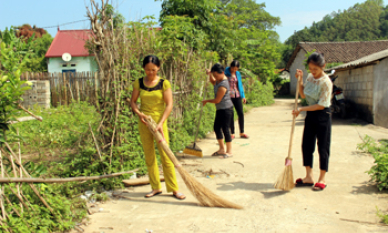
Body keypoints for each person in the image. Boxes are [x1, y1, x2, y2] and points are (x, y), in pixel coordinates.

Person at [130, 55, 186, 200]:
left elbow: (169, 104)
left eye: (153, 70)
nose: (150, 73)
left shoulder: (164, 83)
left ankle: (174, 189)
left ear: (158, 68)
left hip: (160, 124)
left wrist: (161, 123)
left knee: (166, 155)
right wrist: (139, 114)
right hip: (144, 123)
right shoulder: (139, 83)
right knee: (149, 156)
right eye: (148, 70)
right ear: (143, 69)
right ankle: (155, 187)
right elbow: (133, 102)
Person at [292, 52, 333, 191]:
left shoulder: (326, 82)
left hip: (322, 115)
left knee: (323, 147)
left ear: (323, 66)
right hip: (311, 115)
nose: (313, 72)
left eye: (315, 69)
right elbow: (304, 94)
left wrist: (302, 109)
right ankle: (309, 177)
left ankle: (322, 178)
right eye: (310, 69)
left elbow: (321, 105)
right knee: (307, 145)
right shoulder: (310, 77)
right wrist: (301, 80)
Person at [203, 63, 234, 159]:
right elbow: (213, 82)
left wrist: (207, 101)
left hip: (226, 109)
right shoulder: (218, 80)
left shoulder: (223, 84)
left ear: (222, 73)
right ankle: (221, 149)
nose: (215, 77)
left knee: (225, 129)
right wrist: (210, 75)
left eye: (216, 75)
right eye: (214, 75)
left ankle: (229, 151)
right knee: (216, 128)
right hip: (220, 109)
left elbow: (217, 100)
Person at [225, 60, 249, 139]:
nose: (234, 70)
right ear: (230, 66)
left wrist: (243, 96)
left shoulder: (238, 74)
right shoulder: (225, 73)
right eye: (233, 68)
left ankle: (242, 132)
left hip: (237, 95)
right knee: (231, 114)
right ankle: (232, 133)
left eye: (236, 69)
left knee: (241, 113)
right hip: (229, 96)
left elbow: (240, 85)